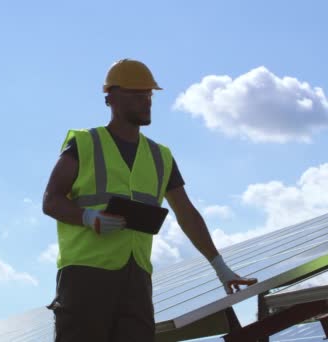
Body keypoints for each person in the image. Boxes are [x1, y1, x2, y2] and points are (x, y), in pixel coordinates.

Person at [42, 59, 257, 342]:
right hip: (85, 277)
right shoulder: (84, 143)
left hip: (137, 279)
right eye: (137, 93)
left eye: (149, 94)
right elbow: (51, 200)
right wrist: (88, 217)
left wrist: (221, 268)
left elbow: (188, 214)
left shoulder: (161, 156)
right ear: (112, 98)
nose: (147, 101)